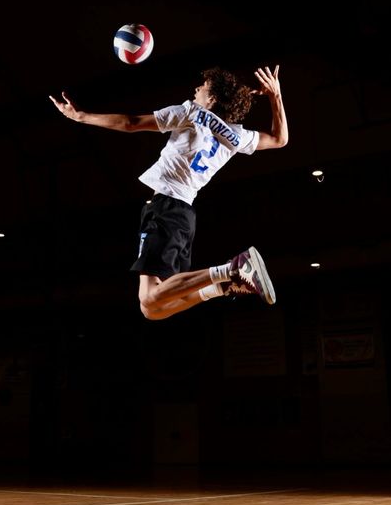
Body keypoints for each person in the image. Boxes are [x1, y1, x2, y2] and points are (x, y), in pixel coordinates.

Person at [49, 64, 288, 320]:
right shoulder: (236, 136)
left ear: (213, 98)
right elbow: (279, 139)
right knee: (153, 308)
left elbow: (131, 123)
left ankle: (233, 268)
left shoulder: (190, 112)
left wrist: (81, 116)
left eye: (202, 87)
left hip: (165, 208)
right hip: (184, 214)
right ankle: (223, 285)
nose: (196, 89)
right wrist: (276, 95)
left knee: (151, 299)